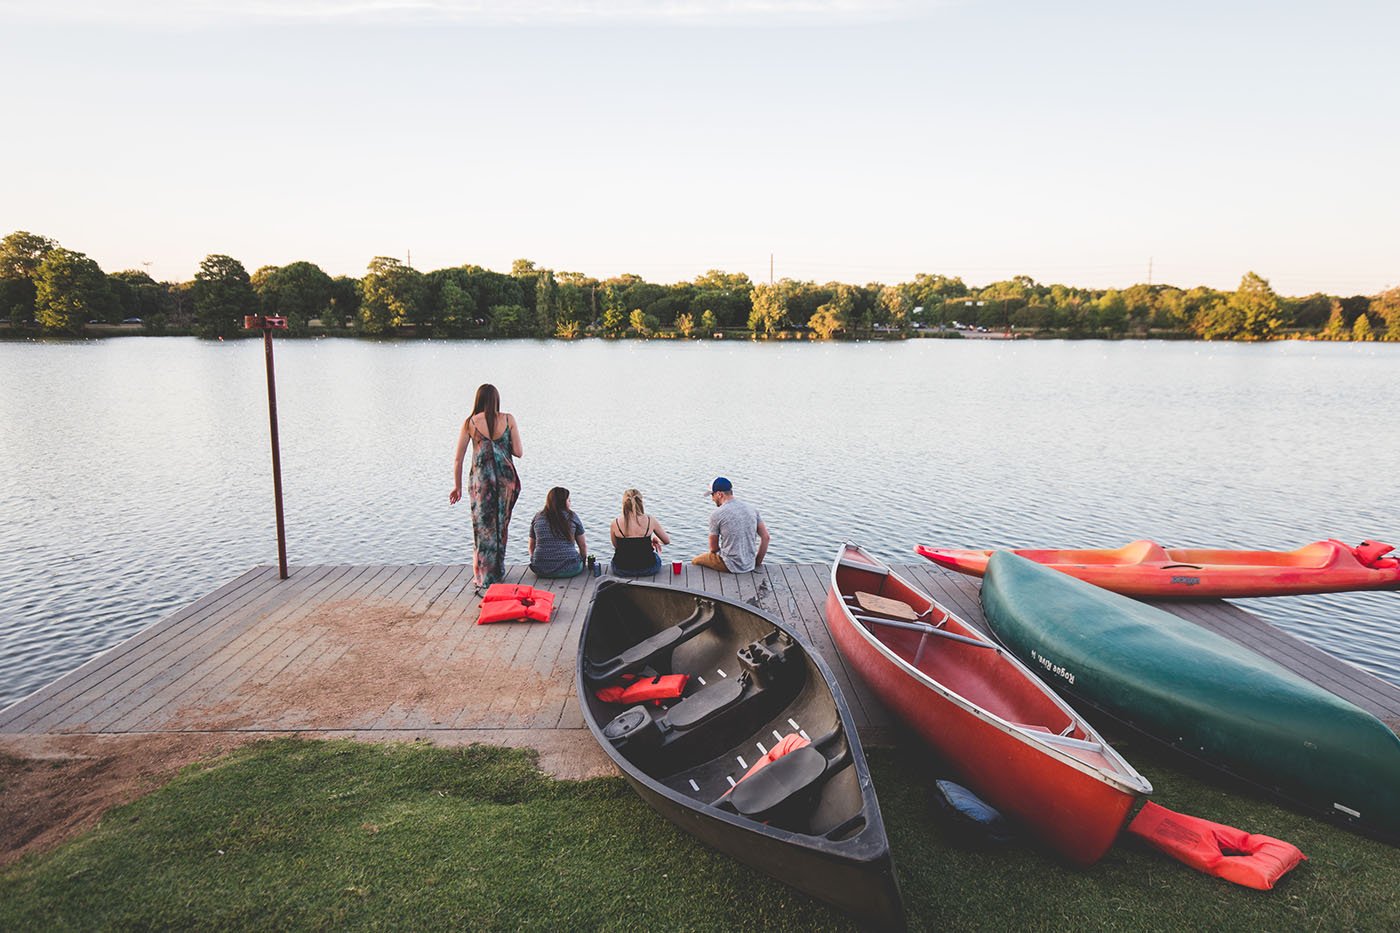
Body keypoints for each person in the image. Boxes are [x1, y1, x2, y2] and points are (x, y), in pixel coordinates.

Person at [449, 383, 522, 586]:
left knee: (482, 528)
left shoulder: (470, 423)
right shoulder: (508, 419)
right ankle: (497, 572)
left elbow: (458, 459)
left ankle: (481, 576)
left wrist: (457, 487)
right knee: (500, 526)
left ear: (478, 400)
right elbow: (518, 451)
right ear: (496, 399)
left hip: (481, 484)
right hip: (506, 481)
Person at [693, 476, 770, 573]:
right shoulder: (752, 509)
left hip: (729, 565)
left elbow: (713, 548)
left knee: (695, 561)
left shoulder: (716, 514)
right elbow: (766, 537)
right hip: (750, 564)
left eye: (712, 495)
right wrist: (757, 563)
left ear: (719, 494)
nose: (712, 499)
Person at [609, 488, 671, 576]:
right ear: (640, 502)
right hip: (648, 568)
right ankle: (657, 552)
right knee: (655, 551)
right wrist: (656, 541)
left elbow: (616, 546)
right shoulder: (650, 520)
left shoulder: (615, 523)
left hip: (621, 569)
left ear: (624, 504)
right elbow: (667, 541)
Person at [529, 486, 587, 578]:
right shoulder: (572, 516)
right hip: (570, 569)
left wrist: (536, 561)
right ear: (563, 502)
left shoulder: (537, 517)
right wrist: (583, 562)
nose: (570, 503)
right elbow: (582, 545)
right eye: (569, 500)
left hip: (540, 570)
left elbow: (532, 546)